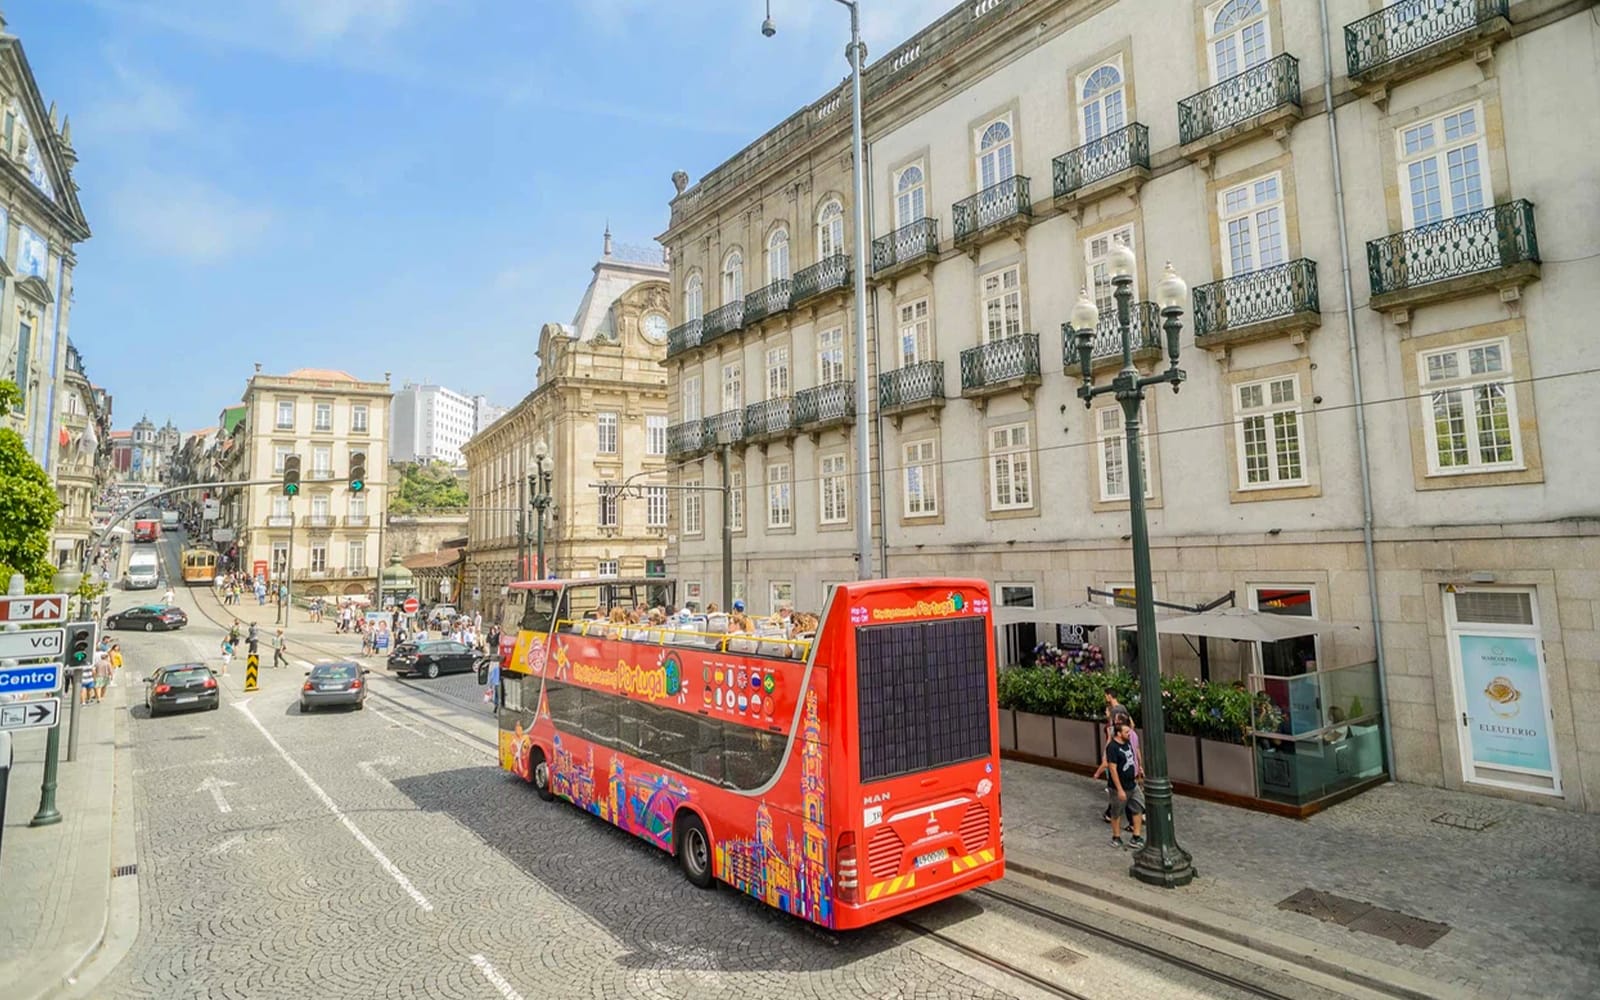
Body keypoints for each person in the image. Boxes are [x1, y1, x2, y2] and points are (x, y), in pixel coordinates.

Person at [1096, 719, 1145, 849]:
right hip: (1119, 786)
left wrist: (1139, 769)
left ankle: (1136, 836)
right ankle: (1116, 837)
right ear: (1118, 734)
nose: (1129, 734)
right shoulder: (1112, 747)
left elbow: (1133, 757)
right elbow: (1112, 769)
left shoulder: (1127, 742)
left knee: (1138, 807)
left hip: (1132, 784)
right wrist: (1119, 789)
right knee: (1116, 812)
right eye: (1126, 732)